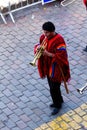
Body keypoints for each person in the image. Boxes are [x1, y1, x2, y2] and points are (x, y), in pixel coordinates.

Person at [34, 21, 71, 115]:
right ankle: (59, 100)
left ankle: (57, 105)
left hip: (56, 68)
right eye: (44, 32)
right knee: (51, 85)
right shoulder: (43, 37)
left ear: (52, 31)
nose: (45, 34)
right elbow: (39, 45)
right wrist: (38, 48)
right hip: (47, 66)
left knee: (54, 87)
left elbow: (62, 56)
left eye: (47, 32)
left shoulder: (59, 40)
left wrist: (48, 54)